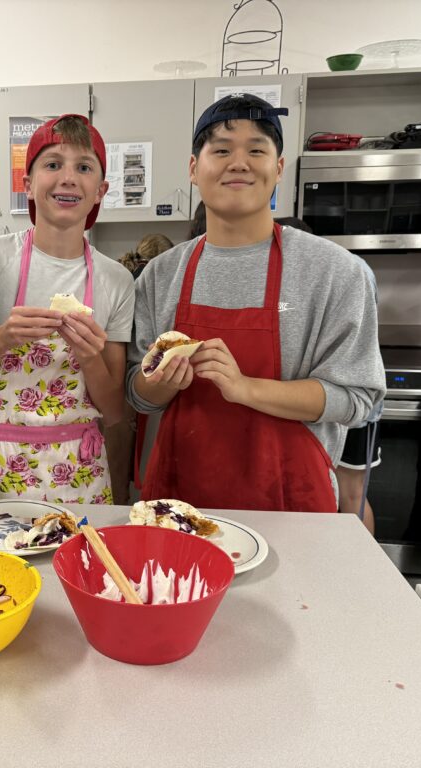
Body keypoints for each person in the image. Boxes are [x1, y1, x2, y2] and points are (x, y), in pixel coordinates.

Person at [128, 93, 384, 512]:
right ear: (194, 169)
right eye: (222, 150)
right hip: (179, 505)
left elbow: (357, 400)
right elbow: (138, 397)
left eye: (257, 150)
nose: (239, 162)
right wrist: (156, 384)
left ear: (278, 168)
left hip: (292, 506)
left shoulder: (335, 271)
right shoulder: (161, 274)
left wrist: (246, 388)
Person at [0, 114, 134, 504]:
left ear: (101, 190)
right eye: (52, 164)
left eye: (84, 167)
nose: (68, 177)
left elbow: (114, 412)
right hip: (1, 473)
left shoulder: (116, 280)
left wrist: (91, 358)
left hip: (82, 474)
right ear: (27, 186)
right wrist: (1, 339)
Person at [276, 215, 380, 534]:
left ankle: (355, 574)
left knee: (350, 492)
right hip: (316, 402)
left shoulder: (344, 269)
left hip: (351, 399)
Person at [108, 233, 174, 503]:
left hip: (115, 381)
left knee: (117, 465)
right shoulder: (157, 281)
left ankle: (121, 498)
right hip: (132, 382)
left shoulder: (123, 274)